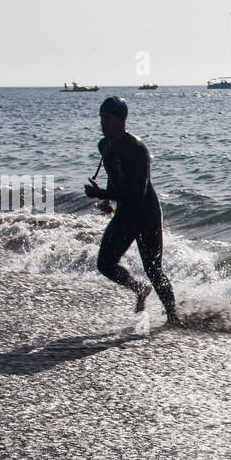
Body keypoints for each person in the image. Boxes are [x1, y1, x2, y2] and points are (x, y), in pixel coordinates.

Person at [83, 96, 179, 325]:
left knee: (154, 270)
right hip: (125, 214)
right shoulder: (104, 145)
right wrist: (109, 200)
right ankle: (138, 288)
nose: (103, 123)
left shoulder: (137, 149)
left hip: (146, 215)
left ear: (121, 120)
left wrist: (103, 195)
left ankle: (174, 317)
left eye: (108, 118)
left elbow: (138, 192)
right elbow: (115, 177)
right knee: (105, 264)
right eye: (101, 118)